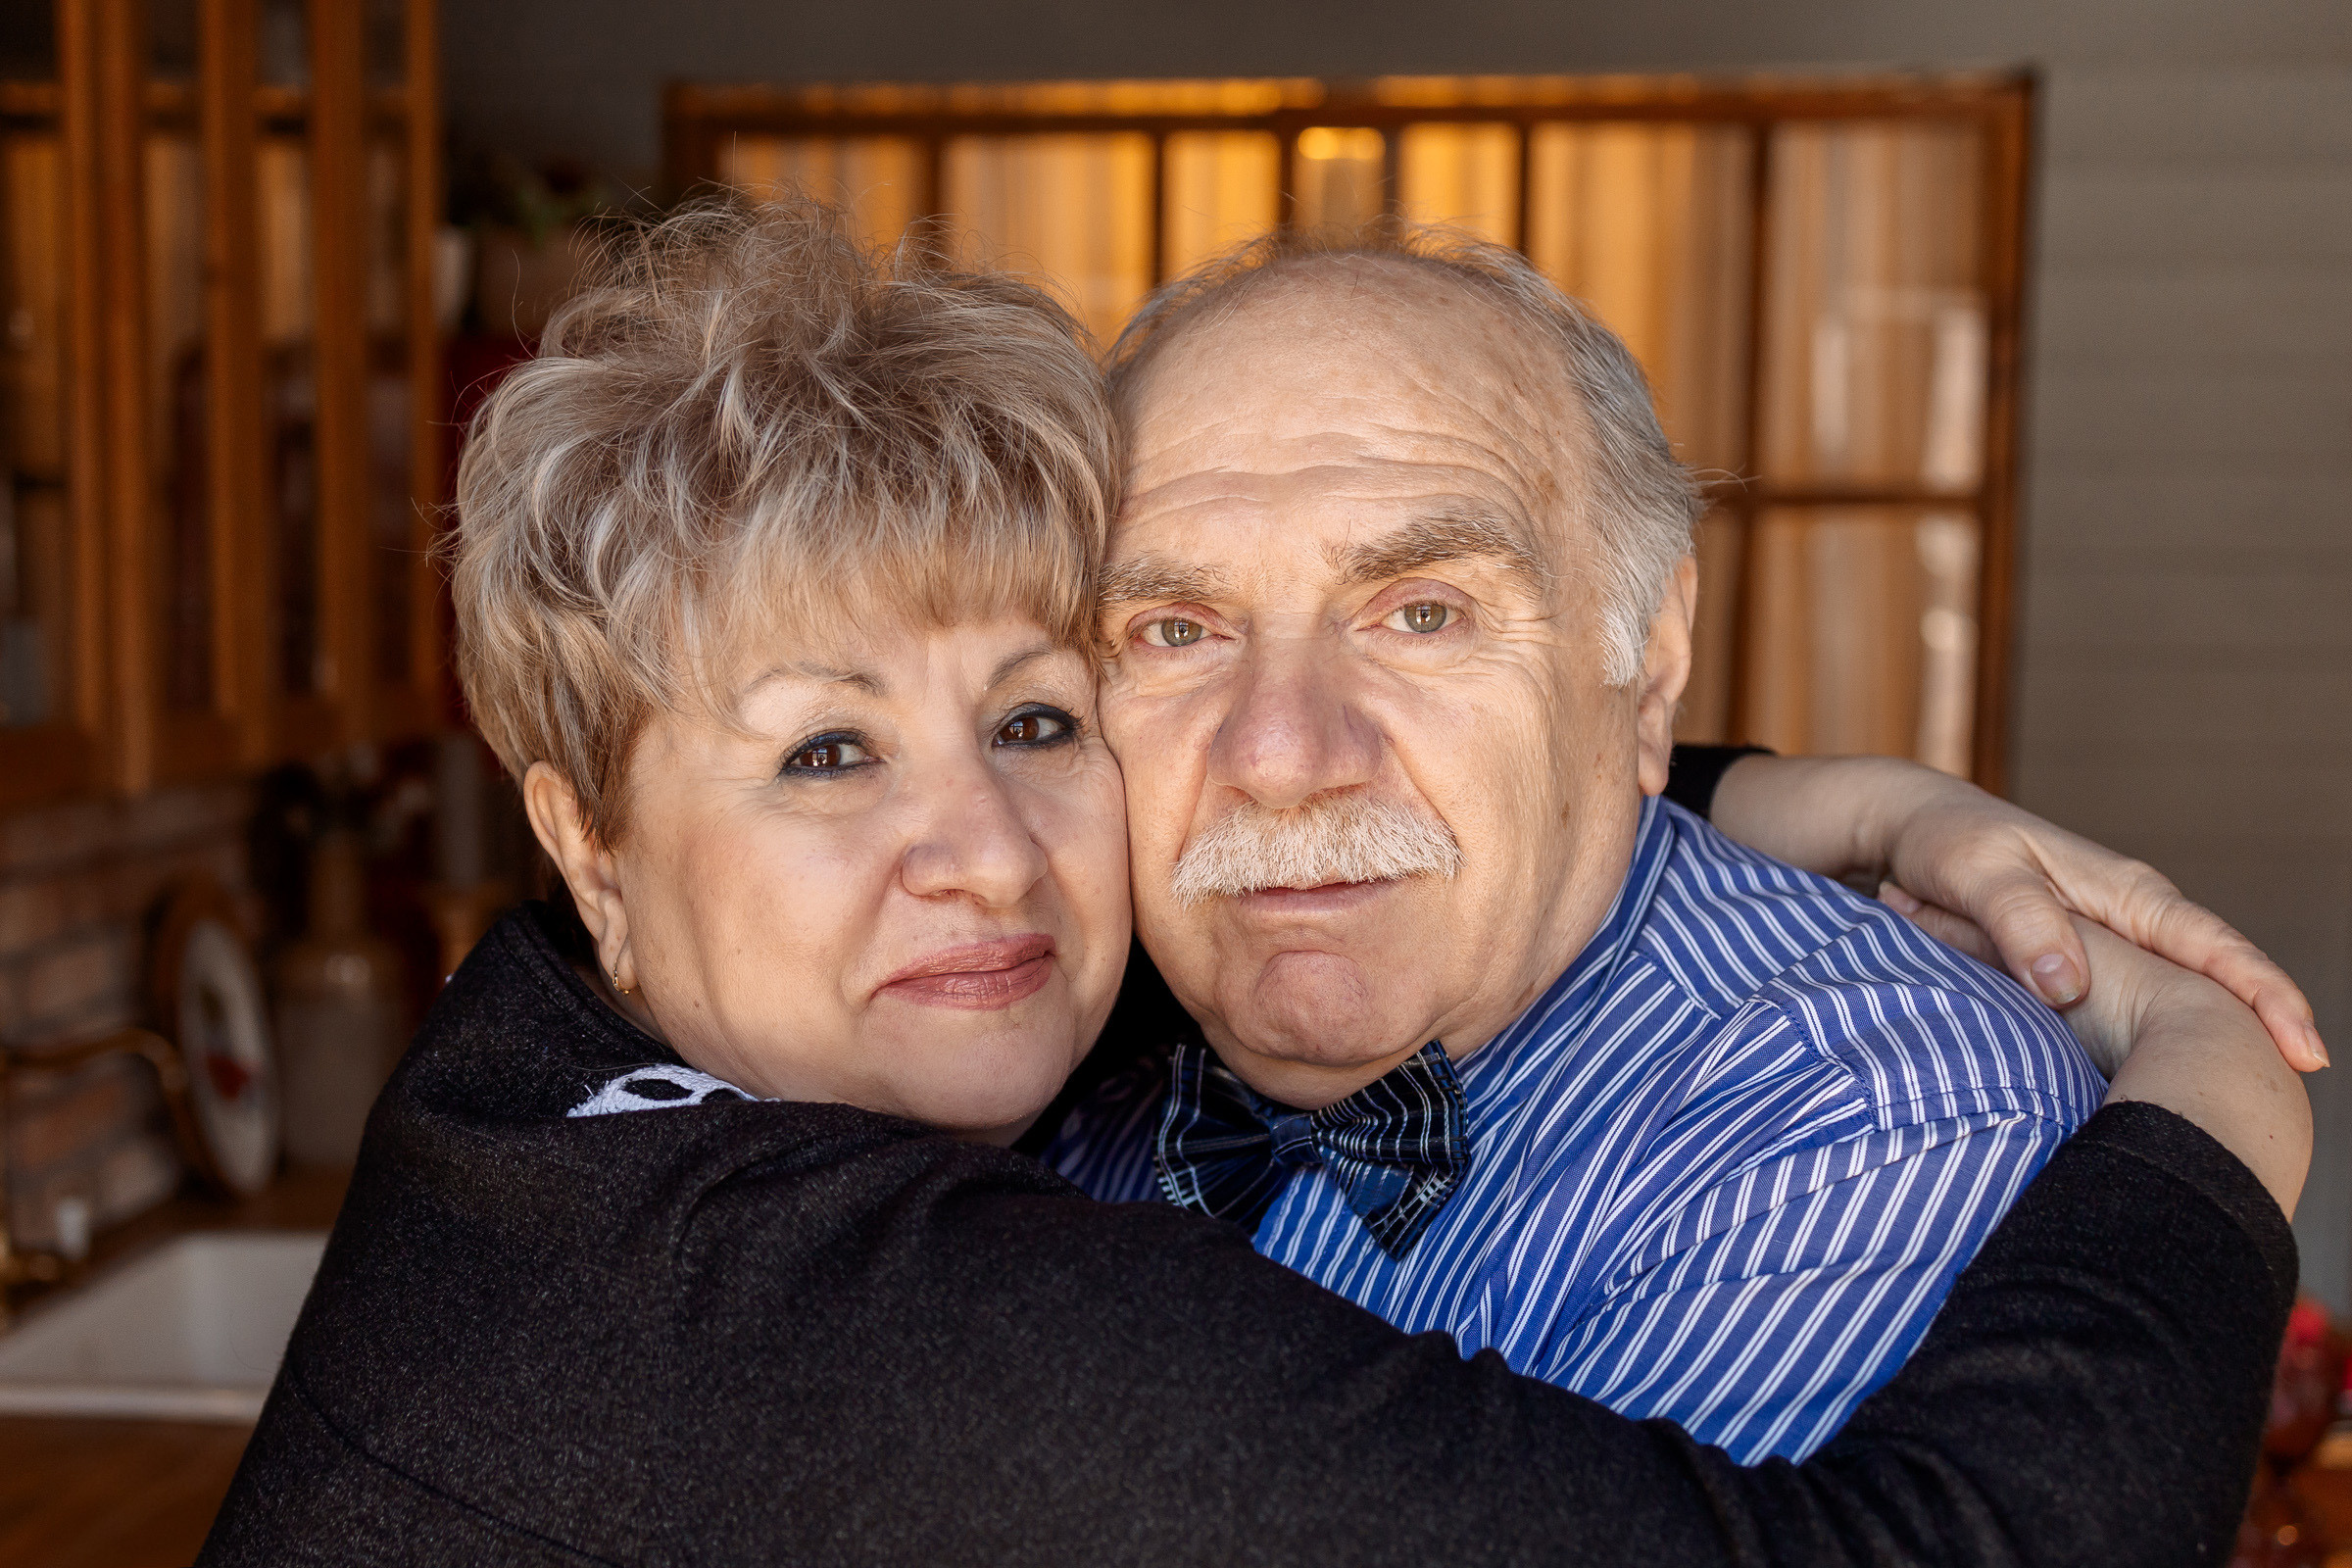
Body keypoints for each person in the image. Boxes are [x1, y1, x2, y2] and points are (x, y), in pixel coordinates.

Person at [200, 205, 2309, 1567]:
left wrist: (1799, 799)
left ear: (1635, 654)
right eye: (1176, 632)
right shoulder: (841, 1305)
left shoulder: (559, 1056)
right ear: (590, 845)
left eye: (1040, 712)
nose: (987, 847)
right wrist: (2224, 1093)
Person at [1037, 221, 2311, 1460]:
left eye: (1422, 614)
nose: (1277, 757)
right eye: (1172, 630)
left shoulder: (1872, 1133)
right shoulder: (1030, 1021)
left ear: (1648, 665)